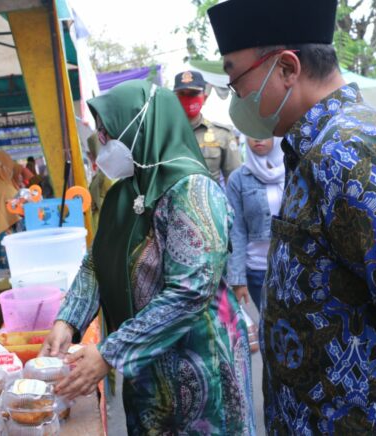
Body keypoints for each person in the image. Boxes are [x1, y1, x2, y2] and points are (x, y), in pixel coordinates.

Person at [208, 0, 376, 433]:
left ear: (288, 69)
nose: (237, 97)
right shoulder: (316, 146)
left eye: (236, 80)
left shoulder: (349, 151)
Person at [41, 80, 256, 434]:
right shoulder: (121, 195)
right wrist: (67, 321)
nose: (103, 143)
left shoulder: (192, 190)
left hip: (201, 369)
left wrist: (110, 353)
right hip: (146, 370)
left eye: (109, 132)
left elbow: (191, 292)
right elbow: (96, 263)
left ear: (141, 127)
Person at [226, 136, 285, 353]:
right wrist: (238, 279)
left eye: (263, 134)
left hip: (291, 266)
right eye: (250, 134)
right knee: (273, 332)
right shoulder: (238, 179)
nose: (257, 139)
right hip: (258, 271)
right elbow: (236, 230)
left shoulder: (294, 168)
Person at [173, 70, 241, 184]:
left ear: (204, 98)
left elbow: (234, 181)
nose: (188, 98)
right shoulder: (163, 135)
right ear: (174, 98)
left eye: (193, 94)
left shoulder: (222, 134)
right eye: (182, 94)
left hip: (210, 200)